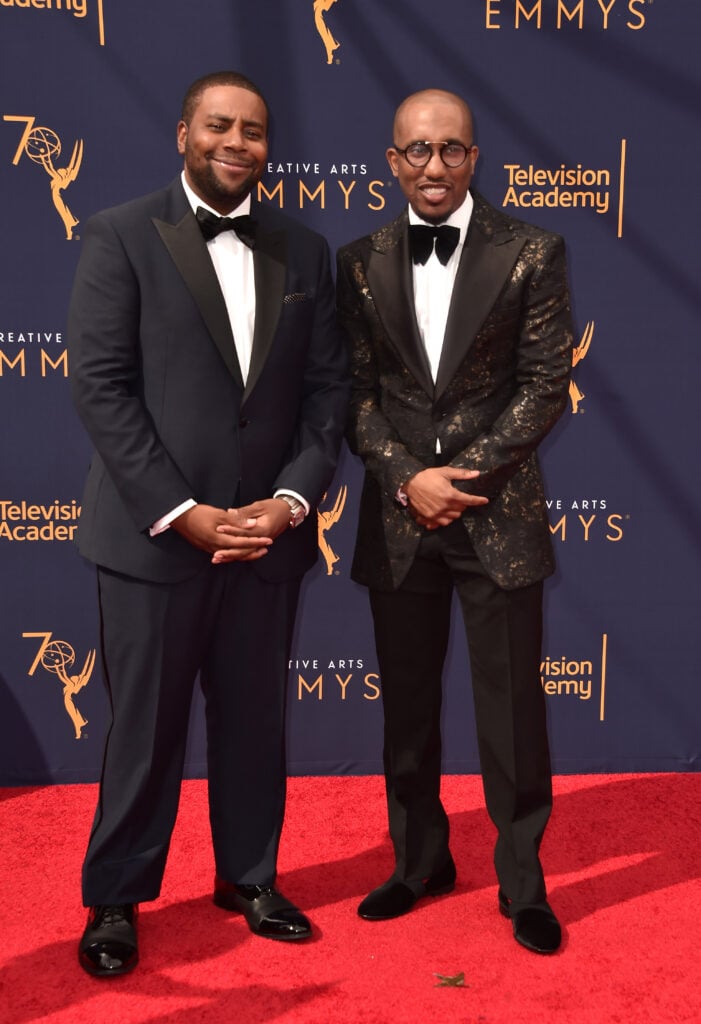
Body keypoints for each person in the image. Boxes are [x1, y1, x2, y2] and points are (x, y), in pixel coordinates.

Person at [68, 70, 348, 976]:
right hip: (156, 540)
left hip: (265, 540)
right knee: (142, 730)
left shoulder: (307, 252)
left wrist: (289, 501)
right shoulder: (118, 234)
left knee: (254, 721)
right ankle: (116, 898)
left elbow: (325, 395)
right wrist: (182, 512)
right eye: (219, 125)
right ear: (184, 132)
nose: (237, 142)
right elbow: (101, 389)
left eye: (255, 130)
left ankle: (250, 877)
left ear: (270, 146)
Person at [336, 88, 573, 955]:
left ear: (474, 157)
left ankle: (522, 881)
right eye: (415, 151)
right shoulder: (357, 260)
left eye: (449, 150)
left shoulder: (532, 251)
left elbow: (545, 384)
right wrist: (407, 479)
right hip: (400, 520)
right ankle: (417, 862)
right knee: (405, 707)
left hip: (495, 515)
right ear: (391, 161)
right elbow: (354, 394)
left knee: (511, 711)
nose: (432, 166)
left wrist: (456, 479)